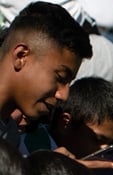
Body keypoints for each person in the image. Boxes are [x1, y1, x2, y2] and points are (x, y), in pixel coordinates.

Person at [0, 1, 92, 146]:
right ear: (21, 56)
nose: (64, 95)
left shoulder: (10, 135)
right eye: (60, 78)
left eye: (69, 82)